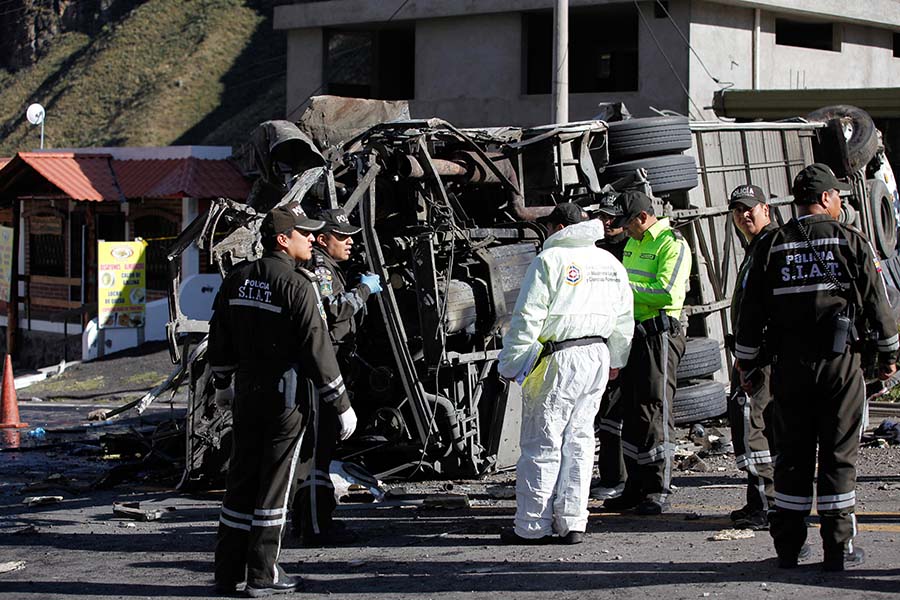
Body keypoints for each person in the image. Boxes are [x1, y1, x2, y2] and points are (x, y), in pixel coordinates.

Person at [735, 163, 898, 571]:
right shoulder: (850, 240)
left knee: (792, 456)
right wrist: (889, 357)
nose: (841, 201)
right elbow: (879, 306)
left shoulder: (773, 246)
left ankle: (788, 548)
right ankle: (838, 550)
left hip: (788, 369)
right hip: (841, 366)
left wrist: (749, 363)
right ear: (826, 198)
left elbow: (750, 315)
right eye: (838, 195)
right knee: (839, 456)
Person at [208, 201, 358, 596]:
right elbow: (317, 347)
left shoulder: (237, 279)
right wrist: (341, 404)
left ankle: (228, 572)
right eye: (303, 233)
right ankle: (263, 574)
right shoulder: (298, 284)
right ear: (282, 239)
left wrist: (223, 384)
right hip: (285, 400)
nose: (312, 238)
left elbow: (219, 337)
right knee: (275, 486)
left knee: (240, 481)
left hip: (246, 396)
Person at [498, 202, 634, 544]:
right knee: (581, 441)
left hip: (558, 360)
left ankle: (532, 527)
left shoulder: (549, 261)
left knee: (542, 443)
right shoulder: (609, 263)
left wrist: (511, 364)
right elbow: (623, 319)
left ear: (557, 227)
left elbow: (528, 318)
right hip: (598, 356)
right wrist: (616, 358)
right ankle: (573, 522)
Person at [293, 207, 382, 547]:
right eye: (342, 237)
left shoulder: (329, 266)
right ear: (322, 238)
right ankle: (316, 525)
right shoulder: (319, 268)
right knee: (319, 447)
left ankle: (309, 520)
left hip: (330, 362)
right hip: (323, 366)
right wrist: (363, 291)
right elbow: (331, 311)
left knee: (319, 447)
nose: (349, 243)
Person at [604, 190, 691, 515]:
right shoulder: (634, 243)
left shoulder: (672, 243)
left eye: (628, 224)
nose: (624, 230)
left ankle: (658, 487)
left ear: (643, 217)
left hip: (660, 336)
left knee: (655, 409)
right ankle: (636, 486)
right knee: (633, 410)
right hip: (634, 334)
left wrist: (622, 291)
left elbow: (666, 291)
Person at [725, 184, 778, 530]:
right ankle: (757, 499)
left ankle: (768, 504)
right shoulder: (755, 247)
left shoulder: (771, 246)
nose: (744, 216)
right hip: (749, 352)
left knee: (753, 423)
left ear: (766, 210)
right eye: (738, 210)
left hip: (761, 355)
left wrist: (753, 355)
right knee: (752, 423)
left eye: (750, 209)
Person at [591, 193, 628, 501]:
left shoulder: (633, 249)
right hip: (603, 338)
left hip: (629, 338)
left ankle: (623, 479)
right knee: (607, 415)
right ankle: (612, 475)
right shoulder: (597, 251)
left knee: (623, 413)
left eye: (611, 217)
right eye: (602, 217)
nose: (605, 222)